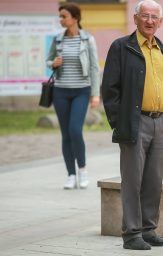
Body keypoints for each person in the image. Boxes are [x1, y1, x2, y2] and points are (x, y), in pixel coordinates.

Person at [101, 0, 163, 251]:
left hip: (159, 123)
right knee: (132, 180)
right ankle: (132, 233)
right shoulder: (122, 47)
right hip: (134, 122)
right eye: (145, 15)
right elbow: (110, 90)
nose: (150, 21)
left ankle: (148, 229)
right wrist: (119, 122)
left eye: (154, 17)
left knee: (153, 180)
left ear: (160, 22)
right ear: (135, 19)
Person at [46, 2, 100, 190]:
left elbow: (94, 67)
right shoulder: (57, 39)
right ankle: (70, 174)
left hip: (81, 91)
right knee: (66, 134)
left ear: (75, 18)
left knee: (75, 130)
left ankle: (82, 169)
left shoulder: (87, 40)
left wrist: (95, 94)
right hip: (60, 91)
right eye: (60, 16)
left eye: (64, 16)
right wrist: (54, 63)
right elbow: (48, 60)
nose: (61, 20)